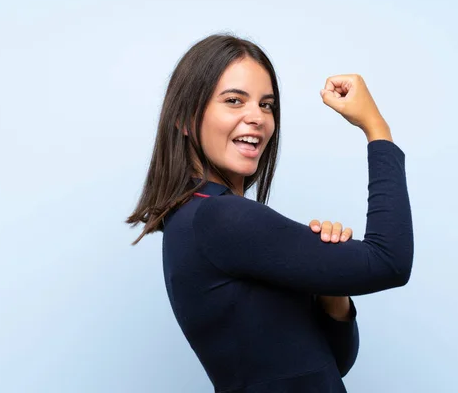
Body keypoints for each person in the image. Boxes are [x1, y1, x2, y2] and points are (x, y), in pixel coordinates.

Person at [126, 33, 413, 393]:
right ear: (185, 119)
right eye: (234, 101)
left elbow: (332, 363)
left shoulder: (199, 219)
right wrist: (377, 130)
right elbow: (391, 261)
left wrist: (331, 290)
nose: (257, 118)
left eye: (266, 105)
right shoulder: (218, 218)